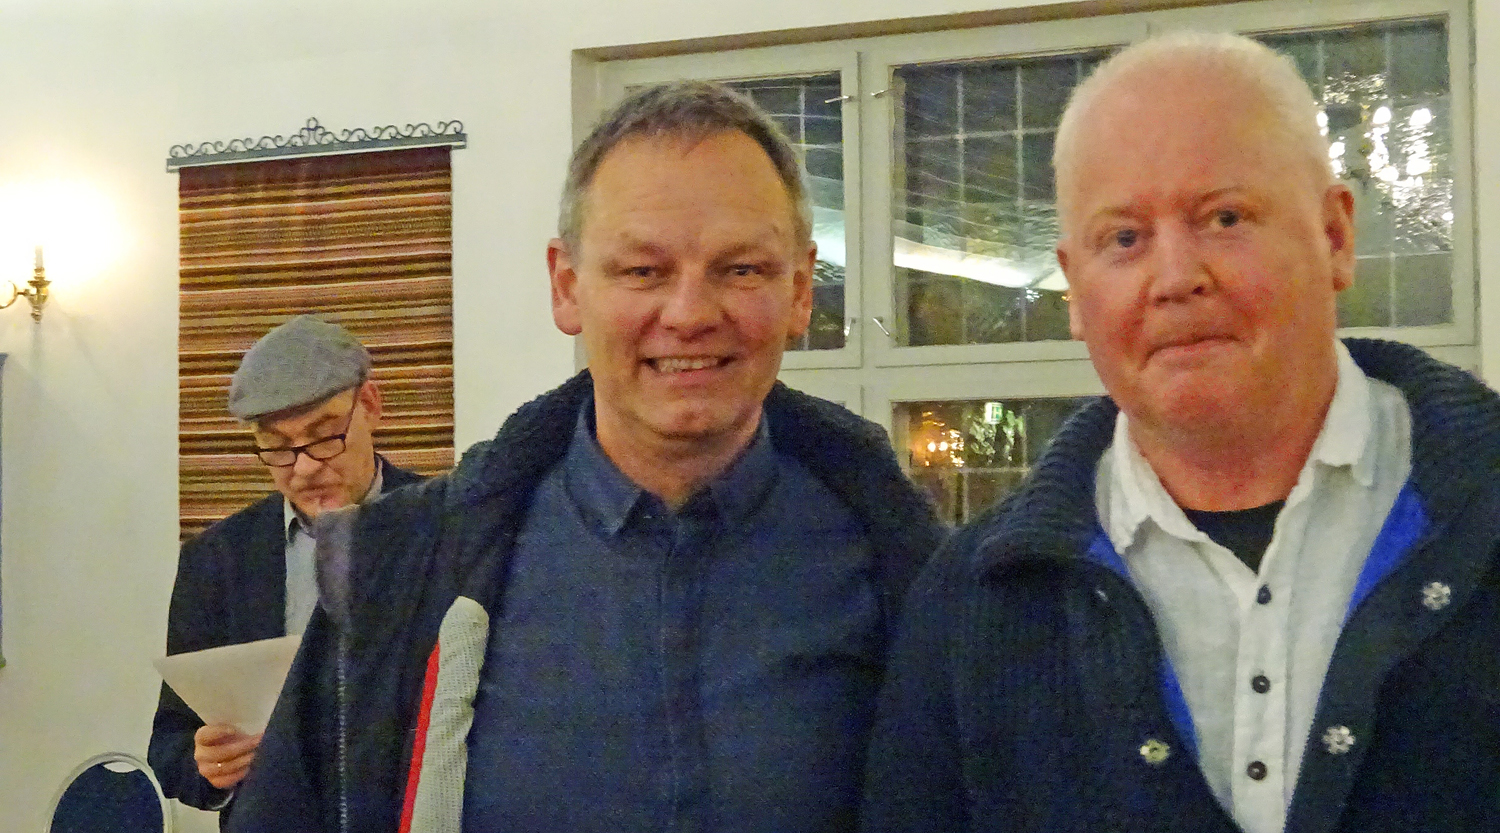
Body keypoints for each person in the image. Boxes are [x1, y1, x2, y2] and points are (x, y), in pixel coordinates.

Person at [227, 82, 945, 833]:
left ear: (799, 290)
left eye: (741, 269)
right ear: (566, 286)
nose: (690, 314)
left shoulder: (910, 579)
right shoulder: (398, 575)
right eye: (643, 271)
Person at [863, 31, 1500, 833]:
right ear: (1074, 288)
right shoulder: (976, 605)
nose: (1174, 278)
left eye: (1224, 217)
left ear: (1335, 236)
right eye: (1124, 239)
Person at [149, 315, 423, 829]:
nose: (304, 468)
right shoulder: (217, 560)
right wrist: (207, 764)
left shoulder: (445, 525)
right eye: (277, 448)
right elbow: (170, 745)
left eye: (325, 436)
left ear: (370, 406)